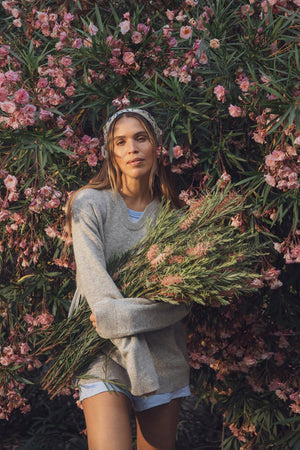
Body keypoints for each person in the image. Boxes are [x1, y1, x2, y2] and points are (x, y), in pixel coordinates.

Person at [66, 108, 190, 450]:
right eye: (121, 142)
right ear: (110, 153)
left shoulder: (175, 217)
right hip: (102, 351)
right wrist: (114, 318)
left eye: (141, 138)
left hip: (163, 354)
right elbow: (96, 290)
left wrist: (116, 316)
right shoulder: (89, 204)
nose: (132, 148)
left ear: (156, 146)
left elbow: (178, 304)